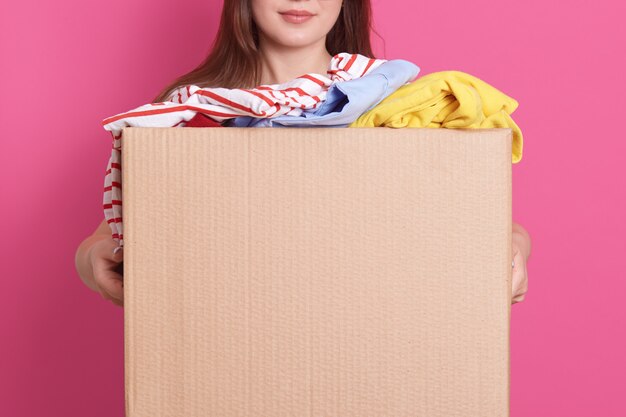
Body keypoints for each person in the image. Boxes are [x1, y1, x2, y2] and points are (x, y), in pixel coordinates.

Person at [75, 0, 532, 307]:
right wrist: (94, 263)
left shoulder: (395, 102)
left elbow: (485, 220)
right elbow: (108, 237)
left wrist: (514, 251)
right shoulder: (190, 109)